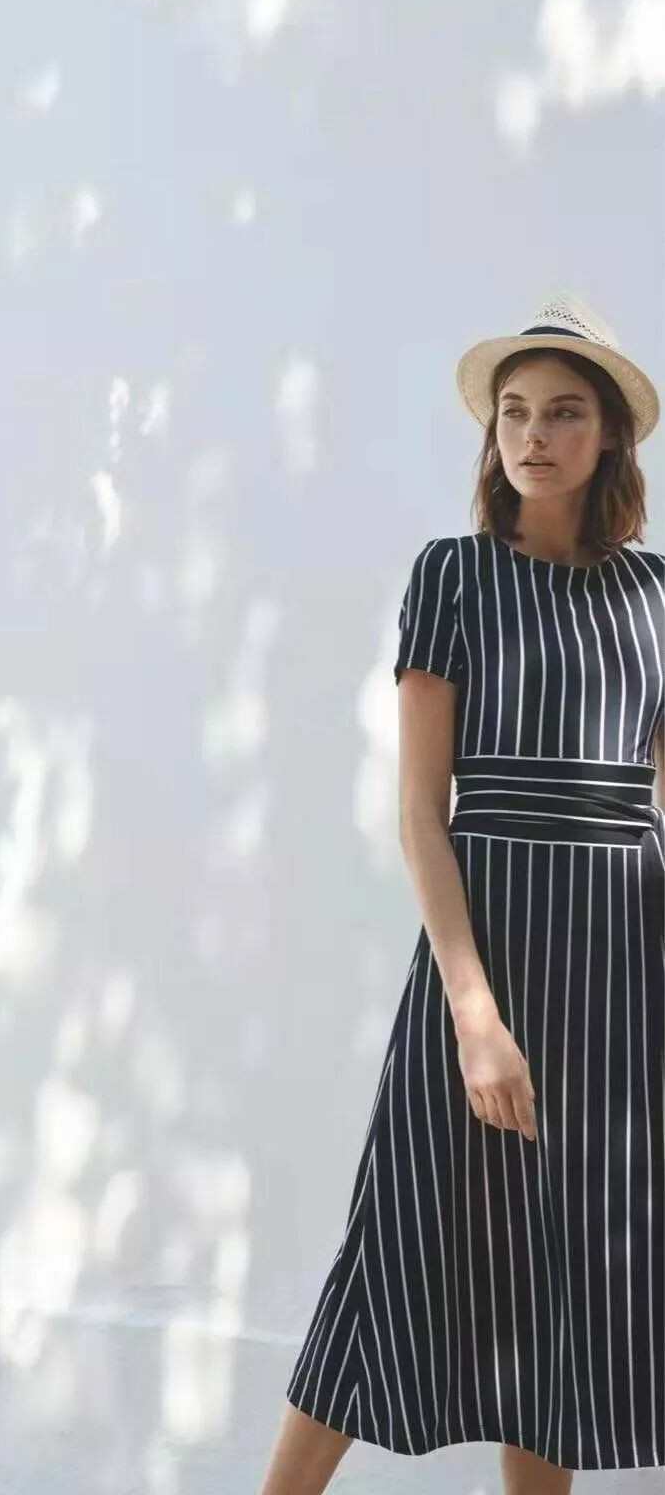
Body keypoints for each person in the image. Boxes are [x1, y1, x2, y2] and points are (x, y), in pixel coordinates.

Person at [256, 293, 665, 1495]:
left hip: (619, 976)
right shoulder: (452, 577)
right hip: (482, 962)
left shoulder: (656, 595)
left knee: (568, 1273)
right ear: (491, 434)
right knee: (396, 1253)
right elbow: (419, 814)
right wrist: (472, 1014)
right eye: (514, 413)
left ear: (607, 434)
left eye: (563, 412)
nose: (534, 434)